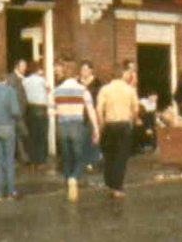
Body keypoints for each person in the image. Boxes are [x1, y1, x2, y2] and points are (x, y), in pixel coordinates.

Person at [53, 60, 100, 202]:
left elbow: (51, 110)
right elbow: (91, 110)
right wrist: (96, 129)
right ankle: (74, 177)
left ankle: (68, 184)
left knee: (67, 157)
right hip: (77, 125)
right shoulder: (82, 90)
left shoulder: (57, 90)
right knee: (80, 156)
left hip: (62, 126)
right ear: (74, 75)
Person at [97, 65, 139, 199]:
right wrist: (132, 120)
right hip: (124, 124)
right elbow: (136, 109)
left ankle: (109, 183)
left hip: (109, 124)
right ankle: (117, 187)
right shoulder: (130, 89)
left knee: (109, 155)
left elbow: (98, 109)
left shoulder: (105, 89)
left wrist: (102, 123)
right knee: (121, 156)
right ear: (122, 75)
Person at [22, 61, 49, 170]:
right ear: (38, 70)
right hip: (41, 109)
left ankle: (33, 161)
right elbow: (48, 90)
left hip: (30, 109)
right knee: (42, 136)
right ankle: (41, 161)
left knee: (32, 136)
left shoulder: (25, 81)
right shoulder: (42, 80)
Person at [80, 60, 103, 172]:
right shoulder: (77, 83)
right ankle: (83, 162)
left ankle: (92, 163)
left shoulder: (97, 83)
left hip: (92, 114)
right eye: (82, 69)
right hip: (80, 114)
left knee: (93, 138)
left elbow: (99, 100)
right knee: (82, 139)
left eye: (85, 69)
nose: (83, 72)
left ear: (91, 70)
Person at [6, 59, 31, 164]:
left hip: (23, 110)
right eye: (22, 66)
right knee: (22, 133)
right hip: (16, 111)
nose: (25, 68)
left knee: (19, 134)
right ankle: (22, 156)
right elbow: (12, 95)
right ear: (17, 66)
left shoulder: (24, 79)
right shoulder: (12, 78)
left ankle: (20, 156)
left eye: (25, 65)